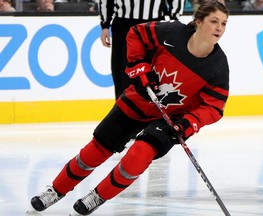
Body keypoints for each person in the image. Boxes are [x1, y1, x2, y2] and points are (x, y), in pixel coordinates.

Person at [26, 1, 230, 215]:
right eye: (214, 21)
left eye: (224, 24)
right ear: (198, 22)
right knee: (95, 150)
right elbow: (136, 34)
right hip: (139, 100)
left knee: (139, 154)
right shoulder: (173, 32)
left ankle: (98, 196)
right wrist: (139, 68)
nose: (219, 28)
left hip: (169, 119)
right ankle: (55, 191)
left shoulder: (217, 66)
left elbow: (214, 107)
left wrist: (187, 125)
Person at [99, 0, 185, 99]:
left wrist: (173, 20)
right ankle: (123, 109)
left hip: (154, 23)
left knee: (155, 72)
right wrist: (105, 25)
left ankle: (154, 109)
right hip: (123, 25)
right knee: (123, 72)